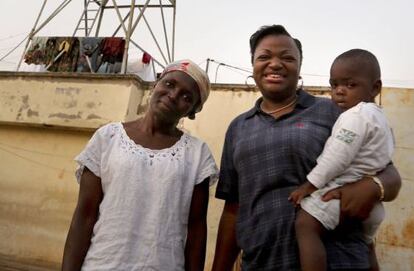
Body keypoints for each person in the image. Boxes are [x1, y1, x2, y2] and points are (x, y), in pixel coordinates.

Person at [211, 25, 401, 271]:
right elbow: (233, 210)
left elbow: (390, 174)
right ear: (253, 65)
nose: (275, 64)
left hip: (341, 259)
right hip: (262, 263)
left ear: (300, 67)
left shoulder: (336, 112)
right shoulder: (238, 128)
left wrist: (374, 187)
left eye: (288, 58)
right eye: (264, 57)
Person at [61, 59, 219, 271]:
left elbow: (196, 230)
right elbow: (84, 216)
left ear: (192, 111)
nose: (173, 96)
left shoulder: (197, 154)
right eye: (169, 84)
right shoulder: (108, 137)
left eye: (186, 96)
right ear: (156, 84)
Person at [288, 49, 394, 271]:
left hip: (344, 192)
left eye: (350, 85)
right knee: (366, 248)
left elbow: (336, 158)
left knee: (305, 225)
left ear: (375, 87)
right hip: (373, 208)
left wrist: (309, 185)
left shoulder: (355, 116)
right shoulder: (380, 119)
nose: (339, 92)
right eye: (334, 85)